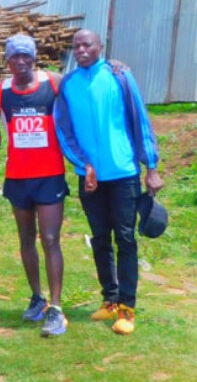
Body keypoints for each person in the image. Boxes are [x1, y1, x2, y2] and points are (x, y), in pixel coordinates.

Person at [54, 29, 163, 336]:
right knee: (100, 237)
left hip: (123, 173)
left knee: (125, 238)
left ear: (100, 47)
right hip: (89, 178)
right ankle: (110, 300)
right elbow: (64, 131)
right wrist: (83, 164)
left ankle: (128, 308)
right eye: (76, 46)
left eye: (87, 44)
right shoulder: (69, 84)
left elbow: (140, 120)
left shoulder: (120, 77)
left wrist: (151, 167)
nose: (81, 50)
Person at [0, 35, 69, 337]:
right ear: (7, 60)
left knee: (50, 238)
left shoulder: (54, 82)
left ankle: (56, 308)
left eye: (26, 56)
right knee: (26, 238)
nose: (20, 62)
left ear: (34, 58)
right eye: (14, 57)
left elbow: (84, 86)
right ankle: (37, 298)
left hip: (49, 174)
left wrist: (112, 66)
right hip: (18, 176)